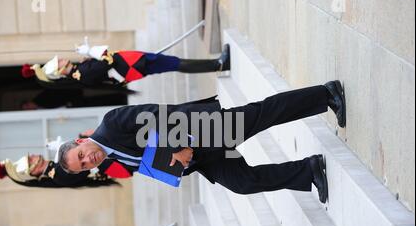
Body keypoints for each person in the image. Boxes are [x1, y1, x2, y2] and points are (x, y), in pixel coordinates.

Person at [57, 80, 347, 204]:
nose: (87, 161)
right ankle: (310, 171)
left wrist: (178, 149)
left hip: (204, 130)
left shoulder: (111, 123)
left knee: (263, 114)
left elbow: (158, 116)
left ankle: (326, 94)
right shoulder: (112, 159)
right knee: (243, 183)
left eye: (81, 155)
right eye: (83, 166)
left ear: (80, 141)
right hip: (202, 157)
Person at [21, 38, 230, 91]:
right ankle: (217, 65)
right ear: (61, 71)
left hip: (131, 61)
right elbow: (106, 61)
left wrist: (89, 53)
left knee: (174, 63)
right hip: (132, 66)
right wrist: (92, 51)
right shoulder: (81, 75)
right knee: (176, 64)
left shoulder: (79, 70)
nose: (64, 60)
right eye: (61, 63)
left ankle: (217, 64)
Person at [0, 154, 132, 189]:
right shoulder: (58, 174)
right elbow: (87, 164)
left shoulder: (56, 165)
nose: (33, 156)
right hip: (112, 164)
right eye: (30, 159)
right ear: (33, 171)